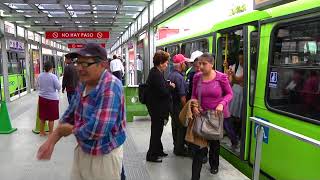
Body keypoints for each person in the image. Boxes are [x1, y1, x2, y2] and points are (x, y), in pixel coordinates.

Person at [37, 43, 126, 180]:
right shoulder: (83, 82)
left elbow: (98, 128)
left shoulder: (111, 86)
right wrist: (52, 140)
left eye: (85, 64)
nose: (79, 68)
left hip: (104, 155)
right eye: (78, 62)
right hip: (83, 149)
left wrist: (70, 130)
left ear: (102, 65)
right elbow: (71, 112)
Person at [191, 53, 233, 179]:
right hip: (201, 116)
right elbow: (193, 95)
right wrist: (194, 106)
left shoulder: (221, 77)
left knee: (214, 143)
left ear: (212, 64)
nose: (201, 66)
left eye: (204, 64)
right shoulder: (197, 77)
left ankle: (214, 164)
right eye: (200, 63)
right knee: (198, 150)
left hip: (215, 117)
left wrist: (222, 104)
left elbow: (229, 94)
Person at [145, 50, 175, 163]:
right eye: (166, 63)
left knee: (158, 130)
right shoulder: (156, 74)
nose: (167, 65)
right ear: (161, 63)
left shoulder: (155, 72)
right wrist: (171, 87)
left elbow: (160, 87)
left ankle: (158, 150)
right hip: (157, 109)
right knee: (156, 132)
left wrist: (166, 84)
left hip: (155, 107)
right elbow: (163, 92)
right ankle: (151, 155)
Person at [168, 54, 189, 156]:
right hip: (179, 106)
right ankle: (179, 149)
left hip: (172, 105)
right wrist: (186, 109)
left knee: (175, 126)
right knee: (181, 127)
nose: (186, 64)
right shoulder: (179, 78)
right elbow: (182, 96)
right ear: (181, 64)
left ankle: (176, 145)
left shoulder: (171, 75)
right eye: (184, 63)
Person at [37, 61, 61, 136]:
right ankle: (50, 133)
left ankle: (41, 132)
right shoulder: (53, 76)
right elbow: (58, 87)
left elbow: (37, 85)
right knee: (51, 117)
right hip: (52, 99)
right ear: (51, 68)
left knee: (43, 116)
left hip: (42, 98)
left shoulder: (40, 76)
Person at [227, 51, 244, 148]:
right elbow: (232, 81)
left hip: (243, 95)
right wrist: (234, 78)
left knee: (238, 116)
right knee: (233, 115)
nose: (241, 61)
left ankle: (236, 136)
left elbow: (238, 79)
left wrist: (233, 77)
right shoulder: (236, 67)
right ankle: (235, 136)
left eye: (242, 59)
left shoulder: (247, 68)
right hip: (235, 94)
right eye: (240, 59)